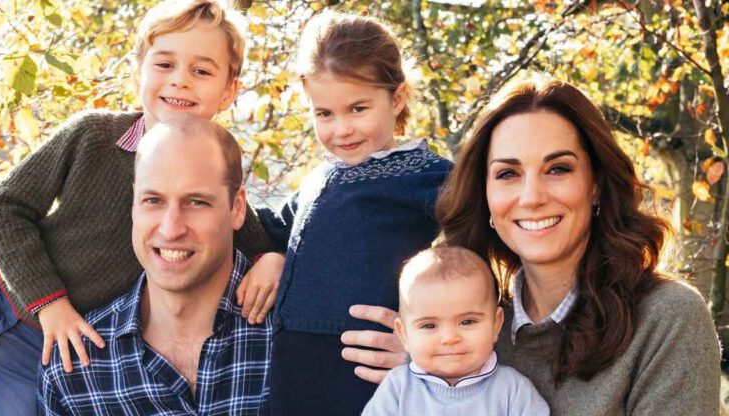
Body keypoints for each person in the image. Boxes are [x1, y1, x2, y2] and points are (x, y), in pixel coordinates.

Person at [0, 1, 279, 414]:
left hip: (45, 347)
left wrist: (271, 259)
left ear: (229, 90)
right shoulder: (92, 135)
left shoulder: (208, 171)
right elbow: (5, 207)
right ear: (138, 72)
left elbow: (247, 237)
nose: (180, 81)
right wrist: (50, 302)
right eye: (165, 65)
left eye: (201, 71)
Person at [343, 75, 721, 415]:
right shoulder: (464, 330)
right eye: (508, 174)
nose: (532, 196)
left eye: (558, 169)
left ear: (596, 185)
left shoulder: (666, 318)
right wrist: (426, 376)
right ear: (485, 195)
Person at [254, 11, 453, 416]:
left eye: (358, 109)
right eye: (324, 114)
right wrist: (272, 255)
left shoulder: (426, 174)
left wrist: (428, 341)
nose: (340, 129)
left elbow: (482, 253)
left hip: (364, 371)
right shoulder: (319, 178)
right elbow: (276, 227)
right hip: (293, 373)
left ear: (396, 99)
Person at [38, 117, 273, 414]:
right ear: (134, 204)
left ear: (237, 208)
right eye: (153, 201)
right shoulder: (75, 372)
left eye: (196, 202)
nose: (171, 228)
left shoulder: (296, 332)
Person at [361, 246, 548, 416]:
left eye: (467, 321)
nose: (450, 338)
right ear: (404, 334)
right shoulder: (398, 388)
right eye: (429, 325)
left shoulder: (512, 390)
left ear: (495, 325)